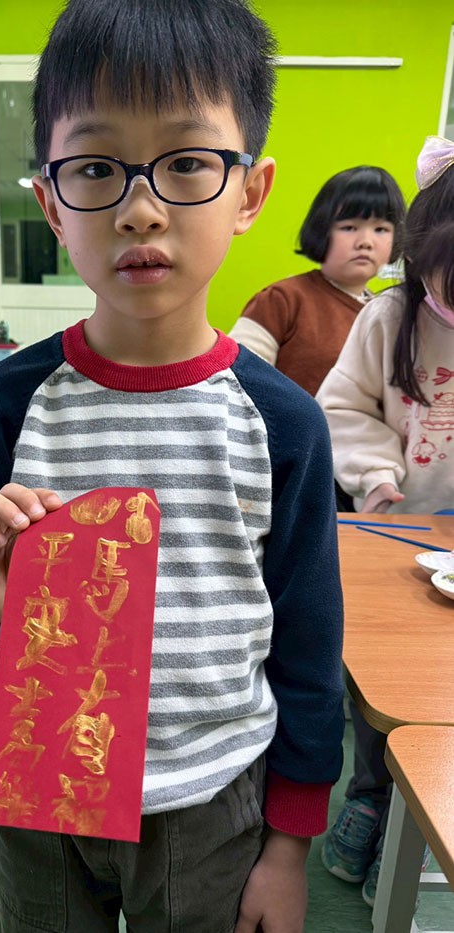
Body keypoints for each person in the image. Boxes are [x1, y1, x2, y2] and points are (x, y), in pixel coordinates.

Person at [0, 2, 345, 930]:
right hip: (38, 794)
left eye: (187, 162)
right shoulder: (7, 401)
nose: (139, 208)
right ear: (50, 202)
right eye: (97, 168)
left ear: (250, 192)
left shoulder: (284, 424)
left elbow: (309, 646)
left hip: (206, 802)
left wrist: (289, 847)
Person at [317, 135, 454, 906]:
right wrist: (375, 473)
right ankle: (372, 793)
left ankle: (419, 813)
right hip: (396, 532)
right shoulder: (389, 317)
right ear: (424, 249)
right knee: (382, 681)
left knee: (445, 689)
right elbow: (342, 407)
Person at [229, 166, 406, 397]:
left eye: (381, 229)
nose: (366, 241)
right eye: (349, 227)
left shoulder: (390, 314)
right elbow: (237, 381)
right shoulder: (283, 300)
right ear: (321, 230)